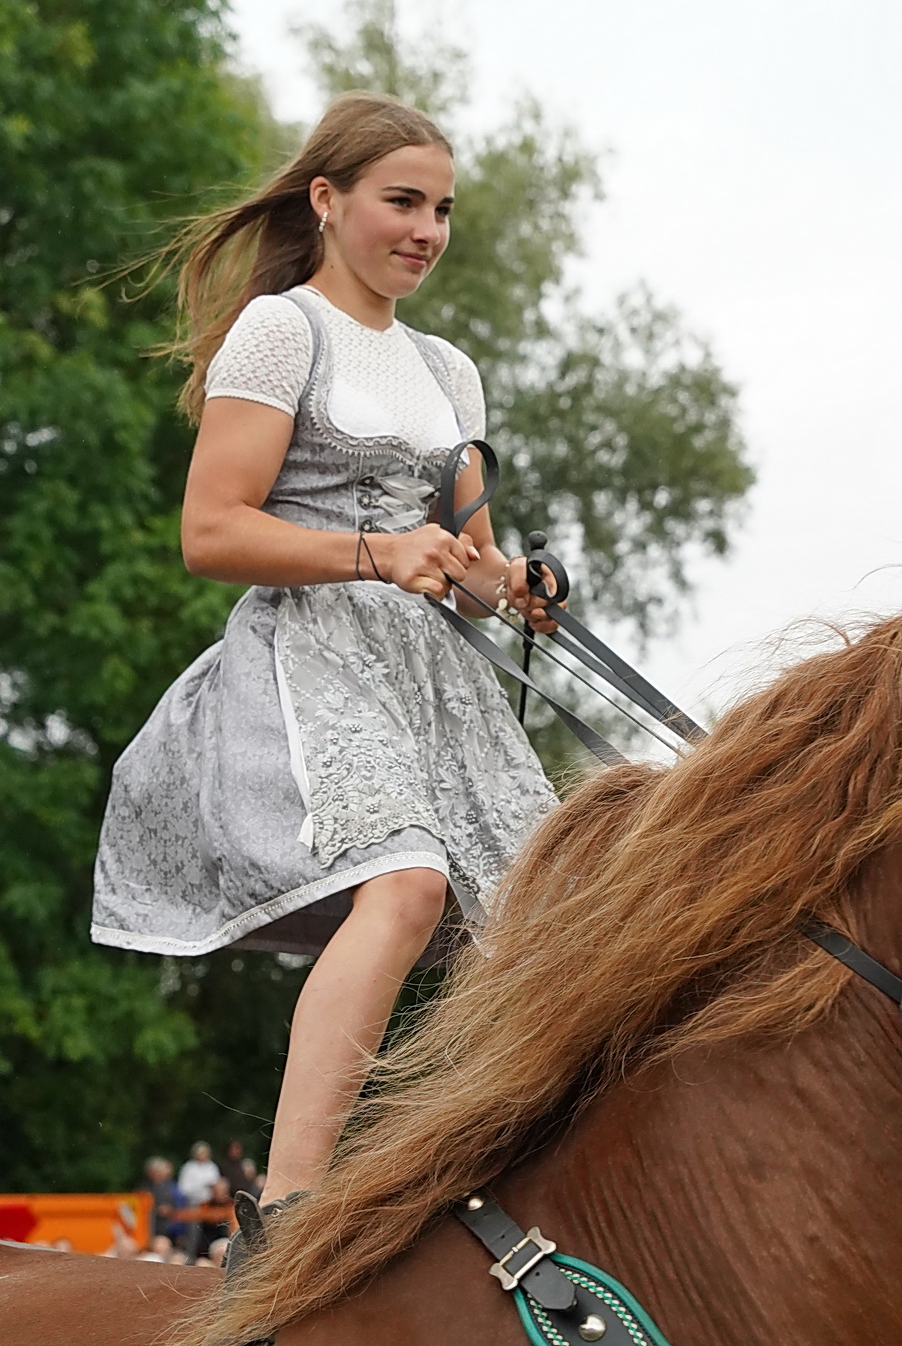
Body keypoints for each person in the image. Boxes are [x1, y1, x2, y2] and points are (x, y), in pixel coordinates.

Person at [91, 93, 558, 1205]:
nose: (426, 230)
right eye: (402, 201)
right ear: (326, 198)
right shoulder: (281, 330)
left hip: (435, 680)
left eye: (441, 208)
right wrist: (375, 553)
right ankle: (291, 1210)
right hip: (312, 658)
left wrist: (517, 587)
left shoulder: (451, 372)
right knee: (404, 889)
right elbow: (213, 531)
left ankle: (496, 1187)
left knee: (548, 916)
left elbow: (471, 566)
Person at [142, 1154, 188, 1249]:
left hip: (170, 1226)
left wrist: (170, 1210)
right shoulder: (145, 1187)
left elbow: (180, 1206)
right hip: (151, 1226)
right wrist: (156, 1209)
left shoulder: (172, 1188)